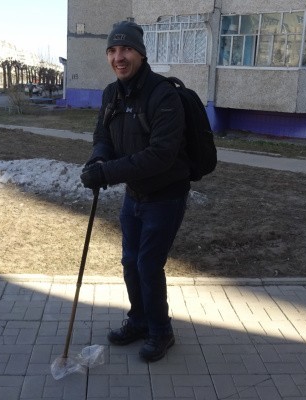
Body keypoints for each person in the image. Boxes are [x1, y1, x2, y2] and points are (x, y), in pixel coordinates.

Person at [80, 20, 190, 362]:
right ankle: (139, 320)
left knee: (147, 264)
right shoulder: (111, 93)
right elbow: (103, 137)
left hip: (166, 195)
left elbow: (160, 155)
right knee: (130, 261)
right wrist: (98, 160)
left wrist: (106, 173)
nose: (118, 57)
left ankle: (161, 331)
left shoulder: (163, 94)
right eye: (112, 50)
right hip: (135, 195)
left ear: (140, 54)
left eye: (126, 49)